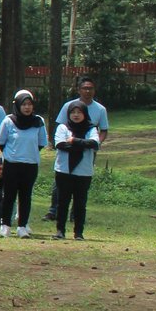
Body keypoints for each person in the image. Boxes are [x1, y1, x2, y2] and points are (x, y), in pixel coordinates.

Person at [44, 76, 110, 221]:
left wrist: (96, 144)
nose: (87, 91)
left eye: (90, 88)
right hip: (67, 149)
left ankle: (75, 214)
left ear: (94, 90)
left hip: (87, 150)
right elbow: (60, 127)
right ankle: (54, 211)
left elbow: (103, 130)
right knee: (60, 181)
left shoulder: (100, 109)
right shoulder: (69, 106)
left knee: (82, 182)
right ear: (79, 90)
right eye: (85, 88)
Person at [0, 90, 46, 238]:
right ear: (18, 105)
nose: (27, 107)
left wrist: (28, 153)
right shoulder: (8, 120)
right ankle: (5, 225)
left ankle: (22, 226)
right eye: (24, 104)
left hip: (30, 164)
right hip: (12, 164)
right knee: (9, 195)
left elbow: (41, 143)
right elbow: (1, 142)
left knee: (25, 196)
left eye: (29, 104)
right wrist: (13, 154)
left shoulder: (38, 121)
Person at [53, 102, 102, 240]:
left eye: (79, 112)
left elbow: (94, 143)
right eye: (73, 112)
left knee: (80, 203)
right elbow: (60, 145)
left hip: (84, 172)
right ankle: (60, 231)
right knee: (62, 201)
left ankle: (78, 232)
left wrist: (74, 140)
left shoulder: (91, 129)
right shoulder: (63, 127)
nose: (76, 115)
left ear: (85, 114)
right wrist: (83, 145)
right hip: (63, 170)